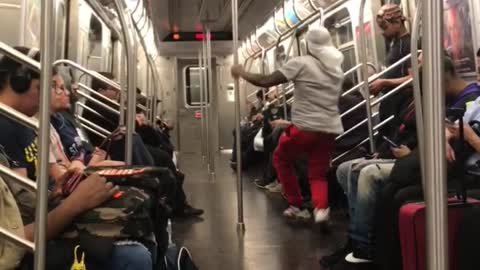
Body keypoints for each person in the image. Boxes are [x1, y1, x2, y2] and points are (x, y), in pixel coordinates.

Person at [231, 26, 344, 223]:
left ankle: (297, 205)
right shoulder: (335, 68)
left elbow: (266, 80)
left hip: (305, 127)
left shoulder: (301, 63)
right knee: (318, 173)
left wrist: (242, 72)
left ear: (308, 44)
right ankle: (321, 209)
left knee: (281, 158)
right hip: (329, 129)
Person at [369, 4, 415, 140]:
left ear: (397, 22)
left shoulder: (407, 45)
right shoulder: (395, 43)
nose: (383, 31)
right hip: (391, 101)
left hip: (401, 102)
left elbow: (413, 77)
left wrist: (384, 82)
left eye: (384, 26)